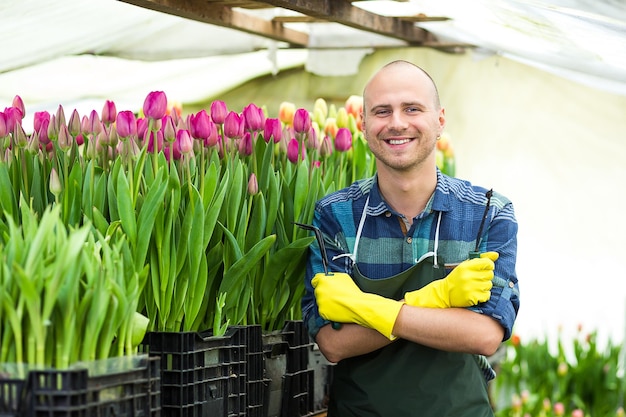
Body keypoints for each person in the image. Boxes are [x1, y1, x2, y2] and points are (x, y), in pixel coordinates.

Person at [301, 60, 519, 417]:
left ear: (440, 120)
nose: (397, 123)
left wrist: (368, 308)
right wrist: (442, 300)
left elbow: (483, 335)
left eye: (412, 108)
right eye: (382, 111)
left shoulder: (487, 213)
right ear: (363, 124)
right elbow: (334, 343)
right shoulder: (335, 215)